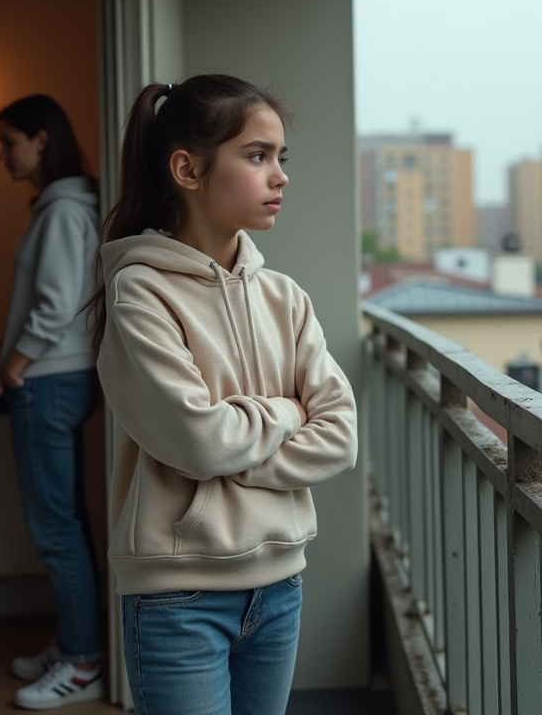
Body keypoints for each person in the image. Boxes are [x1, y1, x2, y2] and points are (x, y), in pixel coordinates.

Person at [89, 75, 358, 715]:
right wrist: (291, 411)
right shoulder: (142, 294)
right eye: (257, 155)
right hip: (177, 597)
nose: (280, 176)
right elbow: (202, 442)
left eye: (280, 158)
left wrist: (233, 444)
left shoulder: (286, 298)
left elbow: (341, 438)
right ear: (188, 168)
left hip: (280, 584)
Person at [0, 95, 103, 709]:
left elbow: (54, 306)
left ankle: (82, 664)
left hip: (48, 382)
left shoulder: (60, 213)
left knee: (55, 530)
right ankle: (75, 642)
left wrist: (14, 368)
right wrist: (7, 356)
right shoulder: (69, 206)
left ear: (41, 141)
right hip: (61, 378)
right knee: (66, 522)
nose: (2, 154)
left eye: (9, 141)